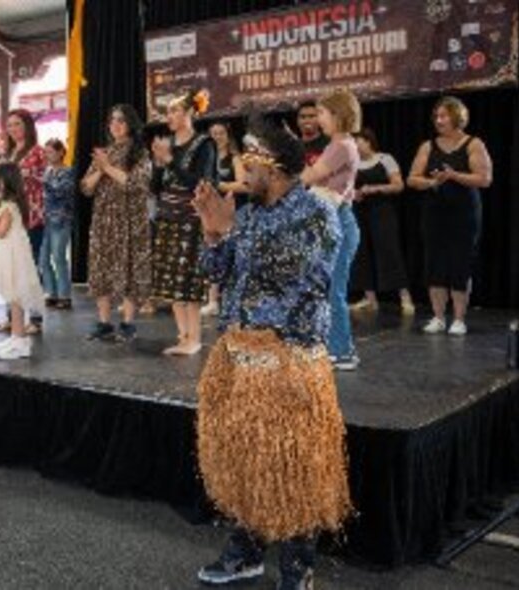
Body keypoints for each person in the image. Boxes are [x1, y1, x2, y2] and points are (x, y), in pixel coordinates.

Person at [193, 116, 349, 590]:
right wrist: (214, 231)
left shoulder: (316, 213)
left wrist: (256, 332)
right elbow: (216, 272)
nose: (242, 172)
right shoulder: (254, 214)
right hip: (239, 357)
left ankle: (298, 573)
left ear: (274, 167)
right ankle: (246, 554)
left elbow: (306, 283)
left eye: (249, 163)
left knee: (291, 468)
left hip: (287, 359)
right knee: (248, 463)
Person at [407, 96, 493, 336]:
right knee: (434, 263)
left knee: (460, 264)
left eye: (443, 116)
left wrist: (454, 175)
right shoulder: (428, 146)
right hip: (434, 213)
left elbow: (484, 179)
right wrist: (432, 182)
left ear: (457, 117)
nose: (438, 120)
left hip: (464, 214)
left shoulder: (473, 144)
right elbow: (412, 178)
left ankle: (458, 319)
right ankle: (437, 317)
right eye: (436, 116)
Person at [150, 90, 216, 356]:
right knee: (171, 282)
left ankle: (195, 338)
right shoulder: (168, 145)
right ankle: (183, 336)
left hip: (190, 220)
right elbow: (155, 187)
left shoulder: (204, 145)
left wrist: (170, 162)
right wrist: (158, 165)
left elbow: (200, 183)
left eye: (174, 111)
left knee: (189, 280)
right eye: (167, 113)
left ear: (189, 113)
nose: (169, 117)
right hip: (167, 217)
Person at [81, 104, 153, 341]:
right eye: (112, 120)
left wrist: (107, 167)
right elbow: (86, 187)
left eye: (121, 120)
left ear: (130, 124)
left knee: (130, 269)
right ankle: (104, 323)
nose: (116, 125)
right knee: (102, 269)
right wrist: (101, 169)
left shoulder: (140, 153)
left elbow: (134, 183)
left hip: (131, 222)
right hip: (104, 221)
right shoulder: (105, 152)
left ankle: (127, 324)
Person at [301, 89, 362, 371]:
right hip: (333, 222)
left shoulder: (341, 147)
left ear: (337, 115)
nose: (317, 119)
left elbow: (310, 177)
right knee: (327, 289)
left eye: (321, 113)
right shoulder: (337, 144)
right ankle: (333, 346)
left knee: (334, 290)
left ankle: (343, 351)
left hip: (340, 222)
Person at [0, 109, 46, 334]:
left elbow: (41, 179)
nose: (13, 129)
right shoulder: (7, 152)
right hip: (9, 217)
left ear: (27, 126)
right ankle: (12, 317)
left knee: (30, 268)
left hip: (31, 217)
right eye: (10, 125)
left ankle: (35, 318)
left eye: (17, 124)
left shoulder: (38, 152)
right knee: (10, 270)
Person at [0, 163, 46, 360]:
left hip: (11, 253)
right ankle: (16, 337)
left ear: (6, 181)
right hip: (12, 251)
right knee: (13, 298)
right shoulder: (14, 203)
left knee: (15, 297)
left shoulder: (8, 205)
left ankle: (19, 341)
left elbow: (0, 232)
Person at [350, 127, 415, 315]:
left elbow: (398, 185)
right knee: (361, 252)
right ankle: (370, 299)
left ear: (368, 141)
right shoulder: (352, 163)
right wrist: (354, 193)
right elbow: (345, 187)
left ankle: (405, 297)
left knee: (389, 250)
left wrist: (375, 188)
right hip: (359, 211)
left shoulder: (385, 159)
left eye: (358, 141)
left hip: (382, 211)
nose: (354, 145)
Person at [202, 120, 249, 318]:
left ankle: (235, 299)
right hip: (211, 211)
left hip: (232, 212)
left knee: (233, 255)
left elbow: (244, 185)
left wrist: (220, 185)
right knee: (213, 254)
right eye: (213, 133)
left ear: (227, 136)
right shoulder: (205, 158)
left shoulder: (234, 158)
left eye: (220, 133)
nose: (217, 137)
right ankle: (212, 301)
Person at [39, 138, 76, 309]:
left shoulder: (68, 171)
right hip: (45, 219)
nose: (48, 155)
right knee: (43, 259)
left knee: (59, 257)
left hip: (61, 220)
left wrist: (41, 183)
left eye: (51, 151)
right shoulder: (46, 171)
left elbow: (61, 192)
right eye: (46, 152)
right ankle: (51, 293)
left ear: (62, 152)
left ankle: (64, 295)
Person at [296, 99, 329, 166]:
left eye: (311, 116)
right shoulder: (293, 147)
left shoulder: (330, 144)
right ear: (297, 121)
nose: (307, 121)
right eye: (303, 117)